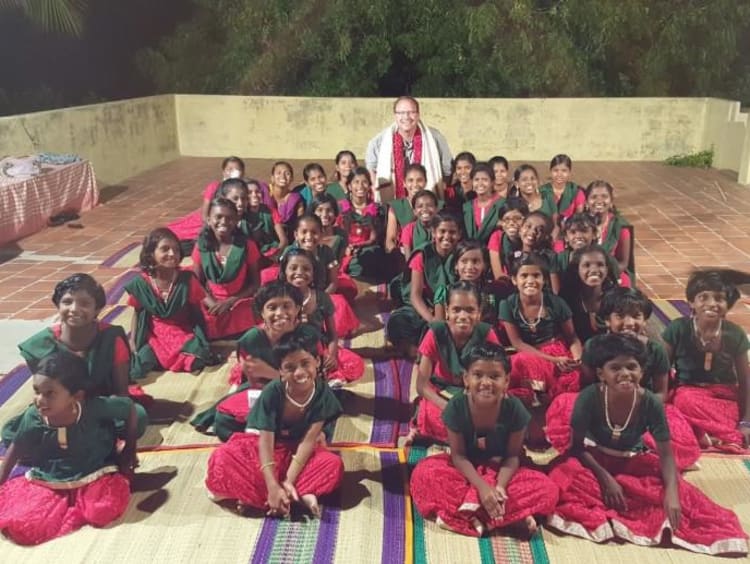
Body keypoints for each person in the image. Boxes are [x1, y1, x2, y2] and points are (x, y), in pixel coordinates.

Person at [547, 333, 748, 556]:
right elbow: (576, 448)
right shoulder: (588, 398)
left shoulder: (651, 402)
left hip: (632, 463)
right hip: (593, 462)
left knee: (675, 500)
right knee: (565, 480)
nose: (625, 374)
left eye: (632, 367)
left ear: (642, 372)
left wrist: (672, 493)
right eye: (615, 368)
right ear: (601, 373)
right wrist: (605, 478)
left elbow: (666, 455)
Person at [410, 343, 559, 537]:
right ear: (466, 379)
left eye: (494, 376)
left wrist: (499, 488)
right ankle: (504, 518)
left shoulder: (515, 409)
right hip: (465, 470)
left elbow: (512, 457)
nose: (486, 383)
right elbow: (459, 456)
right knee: (425, 474)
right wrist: (481, 487)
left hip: (503, 471)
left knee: (547, 489)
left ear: (506, 381)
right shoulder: (456, 407)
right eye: (478, 375)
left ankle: (471, 515)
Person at [546, 287, 701, 471]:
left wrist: (639, 410)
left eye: (636, 316)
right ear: (607, 320)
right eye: (620, 316)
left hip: (644, 407)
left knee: (674, 430)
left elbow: (661, 393)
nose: (629, 323)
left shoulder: (655, 350)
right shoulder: (593, 346)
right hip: (602, 405)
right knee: (564, 404)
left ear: (645, 319)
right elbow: (587, 388)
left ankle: (638, 450)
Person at [0, 352, 136, 545]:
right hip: (51, 478)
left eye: (49, 394)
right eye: (37, 391)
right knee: (26, 523)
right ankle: (67, 501)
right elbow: (16, 449)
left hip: (94, 471)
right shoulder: (33, 417)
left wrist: (130, 450)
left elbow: (129, 409)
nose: (39, 400)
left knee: (102, 510)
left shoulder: (94, 408)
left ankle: (79, 500)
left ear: (77, 396)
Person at [205, 335, 344, 518]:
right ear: (280, 370)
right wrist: (272, 485)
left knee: (333, 465)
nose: (299, 373)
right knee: (223, 456)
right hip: (267, 452)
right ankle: (293, 497)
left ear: (317, 361)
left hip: (297, 454)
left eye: (305, 363)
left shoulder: (322, 393)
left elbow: (307, 442)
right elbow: (265, 442)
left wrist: (287, 481)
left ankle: (273, 497)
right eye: (290, 367)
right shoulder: (273, 392)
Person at [8, 274, 148, 443]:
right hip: (60, 407)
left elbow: (120, 393)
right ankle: (92, 439)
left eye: (84, 303)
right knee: (14, 432)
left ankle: (83, 438)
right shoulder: (40, 345)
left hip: (99, 404)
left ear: (97, 309)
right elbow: (45, 391)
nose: (74, 309)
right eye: (67, 302)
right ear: (58, 305)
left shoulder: (111, 338)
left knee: (137, 417)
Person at [190, 282, 320, 441]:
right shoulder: (251, 339)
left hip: (303, 394)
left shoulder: (308, 336)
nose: (280, 313)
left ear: (298, 308)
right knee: (223, 422)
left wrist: (270, 373)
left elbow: (310, 382)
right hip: (263, 392)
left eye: (287, 306)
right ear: (262, 313)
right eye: (272, 308)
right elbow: (253, 383)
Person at [665, 269, 750, 453]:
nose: (712, 304)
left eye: (719, 298)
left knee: (733, 413)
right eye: (703, 297)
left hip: (723, 395)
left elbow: (745, 382)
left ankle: (708, 435)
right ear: (691, 302)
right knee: (684, 401)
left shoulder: (735, 334)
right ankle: (724, 436)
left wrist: (745, 422)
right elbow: (662, 371)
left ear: (728, 304)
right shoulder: (677, 328)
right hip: (688, 391)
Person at [410, 282, 501, 444]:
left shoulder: (486, 333)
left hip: (475, 393)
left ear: (479, 313)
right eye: (456, 310)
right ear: (447, 311)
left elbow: (497, 376)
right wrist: (449, 407)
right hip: (442, 393)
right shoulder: (436, 333)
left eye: (470, 310)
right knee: (437, 417)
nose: (463, 316)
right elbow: (422, 386)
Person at [125, 227, 215, 377]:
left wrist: (202, 339)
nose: (172, 254)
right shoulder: (141, 284)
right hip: (155, 337)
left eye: (176, 250)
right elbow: (138, 314)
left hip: (182, 332)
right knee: (138, 367)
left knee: (197, 360)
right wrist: (133, 341)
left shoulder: (186, 280)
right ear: (151, 254)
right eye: (165, 249)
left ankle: (181, 359)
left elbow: (197, 314)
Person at [498, 253, 582, 409]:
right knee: (518, 363)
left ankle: (544, 398)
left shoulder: (556, 303)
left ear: (544, 280)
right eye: (524, 276)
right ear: (515, 280)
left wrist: (577, 359)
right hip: (529, 353)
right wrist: (551, 360)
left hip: (556, 351)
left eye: (536, 275)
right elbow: (517, 343)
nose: (530, 281)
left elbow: (572, 337)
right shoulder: (507, 305)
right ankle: (534, 397)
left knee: (572, 379)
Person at [278, 248, 363, 386]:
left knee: (352, 362)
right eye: (293, 268)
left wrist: (331, 355)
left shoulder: (321, 298)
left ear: (313, 274)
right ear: (284, 272)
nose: (299, 272)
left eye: (306, 269)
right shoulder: (278, 298)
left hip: (317, 347)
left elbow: (332, 334)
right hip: (286, 347)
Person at [386, 211, 461, 358]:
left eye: (452, 232)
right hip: (424, 307)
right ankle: (414, 349)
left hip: (453, 308)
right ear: (433, 233)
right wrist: (433, 321)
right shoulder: (422, 255)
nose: (447, 236)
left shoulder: (462, 255)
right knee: (397, 321)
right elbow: (415, 296)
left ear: (459, 234)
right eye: (442, 231)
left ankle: (428, 349)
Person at [192, 198, 260, 340]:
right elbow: (196, 283)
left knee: (247, 328)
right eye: (218, 217)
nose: (223, 222)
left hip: (238, 300)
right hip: (211, 302)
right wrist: (212, 303)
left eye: (229, 218)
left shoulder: (246, 246)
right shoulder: (202, 247)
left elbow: (255, 283)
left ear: (236, 221)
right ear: (209, 220)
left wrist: (230, 302)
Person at [366, 96, 452, 202]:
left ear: (418, 114)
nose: (406, 117)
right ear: (395, 115)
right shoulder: (380, 141)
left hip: (428, 205)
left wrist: (439, 188)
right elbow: (371, 168)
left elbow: (447, 169)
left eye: (411, 112)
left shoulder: (435, 138)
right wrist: (378, 190)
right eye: (401, 113)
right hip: (391, 204)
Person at [560, 244, 618, 344]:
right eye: (586, 265)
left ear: (607, 270)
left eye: (600, 265)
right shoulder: (566, 298)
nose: (594, 270)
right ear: (577, 270)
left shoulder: (616, 296)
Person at [554, 213, 626, 287]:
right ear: (566, 237)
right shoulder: (559, 260)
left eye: (584, 231)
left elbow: (615, 287)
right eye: (573, 232)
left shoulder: (605, 258)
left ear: (594, 234)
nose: (578, 236)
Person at [339, 167, 386, 279]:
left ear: (369, 186)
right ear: (349, 186)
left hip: (368, 250)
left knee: (372, 257)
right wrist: (346, 248)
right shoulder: (340, 207)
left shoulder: (377, 209)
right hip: (345, 250)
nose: (360, 186)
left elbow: (375, 238)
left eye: (364, 182)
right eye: (356, 182)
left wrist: (358, 246)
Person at [310, 194, 358, 303]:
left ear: (335, 213)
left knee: (349, 288)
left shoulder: (340, 236)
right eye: (319, 210)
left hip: (331, 277)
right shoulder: (307, 234)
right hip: (308, 276)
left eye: (329, 210)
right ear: (313, 213)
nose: (324, 214)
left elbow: (339, 263)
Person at [584, 180, 632, 282]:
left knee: (624, 282)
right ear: (586, 202)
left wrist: (604, 275)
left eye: (604, 196)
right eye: (594, 197)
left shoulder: (620, 227)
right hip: (583, 273)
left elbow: (623, 262)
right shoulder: (579, 224)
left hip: (611, 274)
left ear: (611, 202)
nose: (599, 201)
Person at [240, 178, 288, 264]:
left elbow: (283, 240)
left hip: (275, 251)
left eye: (257, 191)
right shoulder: (241, 216)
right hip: (255, 256)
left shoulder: (270, 211)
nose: (254, 195)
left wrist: (277, 253)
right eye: (249, 193)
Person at [385, 163, 428, 254]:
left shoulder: (436, 205)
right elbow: (390, 240)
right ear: (404, 183)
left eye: (419, 180)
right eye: (410, 180)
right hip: (402, 254)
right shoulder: (396, 206)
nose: (415, 184)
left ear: (425, 182)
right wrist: (398, 255)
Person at [463, 162, 506, 245]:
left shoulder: (502, 204)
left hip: (496, 249)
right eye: (476, 180)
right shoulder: (467, 207)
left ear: (492, 182)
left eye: (485, 180)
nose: (480, 184)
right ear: (472, 182)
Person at [488, 198, 529, 281]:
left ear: (526, 220)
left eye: (517, 218)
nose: (511, 223)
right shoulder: (497, 237)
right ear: (501, 222)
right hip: (506, 283)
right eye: (506, 219)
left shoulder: (530, 237)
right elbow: (499, 275)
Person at [539, 154, 585, 226]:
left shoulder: (576, 192)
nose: (559, 174)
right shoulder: (542, 191)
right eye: (555, 170)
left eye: (564, 171)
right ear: (550, 171)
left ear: (569, 172)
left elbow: (579, 218)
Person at [399, 189, 439, 258]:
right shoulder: (408, 229)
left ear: (436, 209)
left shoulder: (442, 227)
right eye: (420, 206)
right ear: (414, 211)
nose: (425, 209)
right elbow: (408, 259)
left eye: (429, 205)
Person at [268, 161, 304, 234]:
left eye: (287, 174)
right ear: (272, 178)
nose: (283, 176)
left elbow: (300, 223)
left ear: (291, 178)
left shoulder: (296, 198)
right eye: (278, 173)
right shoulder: (265, 194)